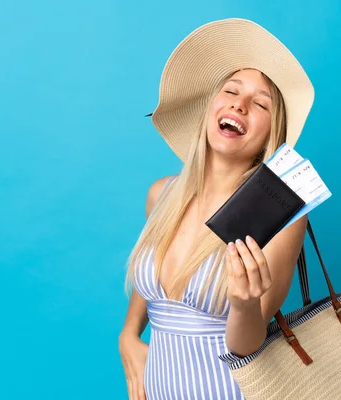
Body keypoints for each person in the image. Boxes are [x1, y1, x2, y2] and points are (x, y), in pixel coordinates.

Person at [118, 18, 315, 400]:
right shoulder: (162, 195)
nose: (239, 104)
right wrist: (128, 335)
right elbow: (151, 284)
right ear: (211, 106)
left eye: (260, 103)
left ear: (270, 135)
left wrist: (244, 304)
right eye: (230, 90)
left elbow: (247, 347)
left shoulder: (281, 216)